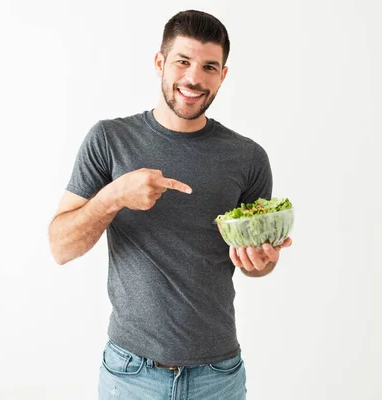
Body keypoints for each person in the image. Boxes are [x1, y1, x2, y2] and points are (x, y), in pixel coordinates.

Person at [49, 9, 292, 400]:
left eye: (209, 67)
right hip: (130, 374)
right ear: (160, 63)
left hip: (219, 375)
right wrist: (114, 197)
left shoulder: (248, 158)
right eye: (182, 61)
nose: (194, 78)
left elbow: (256, 263)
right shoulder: (110, 140)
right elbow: (60, 247)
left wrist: (263, 261)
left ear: (223, 75)